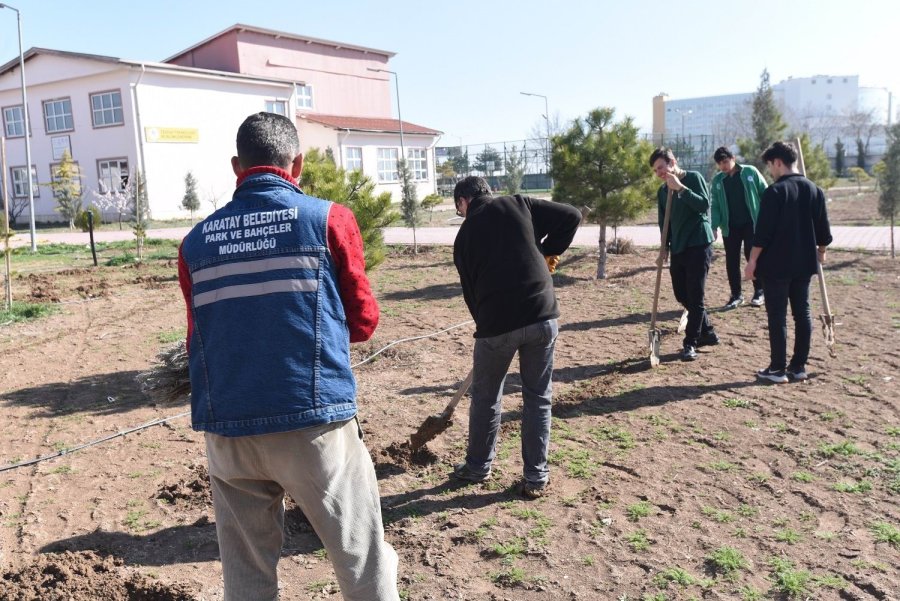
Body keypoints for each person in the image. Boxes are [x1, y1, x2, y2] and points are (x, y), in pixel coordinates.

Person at [177, 112, 399, 601]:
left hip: (228, 430)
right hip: (312, 424)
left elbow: (200, 336)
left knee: (247, 577)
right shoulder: (328, 219)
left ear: (238, 167)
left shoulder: (194, 243)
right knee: (361, 559)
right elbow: (363, 322)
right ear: (296, 164)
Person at [451, 176, 581, 499]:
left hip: (496, 326)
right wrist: (546, 250)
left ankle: (479, 467)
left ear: (463, 202)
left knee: (487, 396)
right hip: (542, 315)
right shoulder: (519, 203)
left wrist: (488, 327)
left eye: (459, 210)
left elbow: (471, 296)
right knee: (538, 395)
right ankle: (536, 476)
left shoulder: (463, 237)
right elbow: (572, 216)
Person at [744, 141, 832, 384]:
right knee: (802, 313)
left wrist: (752, 261)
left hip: (777, 265)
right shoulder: (814, 189)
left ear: (778, 162)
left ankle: (777, 369)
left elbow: (762, 233)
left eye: (770, 165)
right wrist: (821, 251)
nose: (770, 170)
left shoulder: (774, 192)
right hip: (804, 263)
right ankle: (798, 366)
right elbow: (823, 230)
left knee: (777, 316)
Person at [649, 147, 718, 361]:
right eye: (655, 170)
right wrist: (664, 249)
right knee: (681, 294)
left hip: (698, 243)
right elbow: (664, 223)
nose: (659, 172)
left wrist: (680, 189)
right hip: (678, 246)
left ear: (673, 162)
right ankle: (707, 331)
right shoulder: (662, 192)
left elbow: (703, 205)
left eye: (661, 167)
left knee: (695, 296)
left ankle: (690, 343)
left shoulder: (693, 178)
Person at [710, 146, 768, 309]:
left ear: (733, 158)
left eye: (726, 161)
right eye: (720, 164)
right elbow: (714, 205)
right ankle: (736, 295)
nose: (724, 166)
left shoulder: (750, 172)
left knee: (753, 256)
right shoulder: (718, 181)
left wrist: (768, 217)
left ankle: (759, 292)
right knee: (732, 260)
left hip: (752, 224)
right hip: (730, 227)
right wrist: (714, 226)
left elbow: (765, 193)